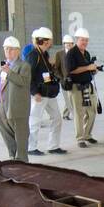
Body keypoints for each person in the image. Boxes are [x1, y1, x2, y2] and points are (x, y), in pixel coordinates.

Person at [25, 26, 65, 156]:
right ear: (44, 41)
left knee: (57, 118)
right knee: (35, 120)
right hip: (39, 94)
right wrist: (34, 92)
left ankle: (53, 146)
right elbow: (28, 75)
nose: (50, 44)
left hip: (48, 92)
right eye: (48, 41)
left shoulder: (44, 54)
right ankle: (31, 147)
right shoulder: (33, 55)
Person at [0, 37, 30, 162]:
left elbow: (23, 82)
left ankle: (22, 160)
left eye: (12, 49)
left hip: (17, 107)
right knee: (6, 132)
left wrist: (9, 72)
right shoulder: (4, 66)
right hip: (2, 106)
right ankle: (12, 156)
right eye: (6, 49)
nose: (8, 52)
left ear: (18, 51)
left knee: (20, 135)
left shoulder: (24, 66)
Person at [64, 28, 100, 147]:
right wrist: (88, 68)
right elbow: (71, 70)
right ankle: (80, 138)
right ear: (76, 40)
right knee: (79, 113)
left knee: (92, 111)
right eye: (82, 40)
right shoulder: (71, 53)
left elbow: (88, 68)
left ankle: (87, 135)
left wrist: (93, 70)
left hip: (87, 85)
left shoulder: (86, 53)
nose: (84, 42)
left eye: (86, 40)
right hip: (76, 87)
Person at [55, 34, 74, 121]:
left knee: (71, 98)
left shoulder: (75, 53)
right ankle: (74, 114)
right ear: (64, 44)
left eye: (70, 43)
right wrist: (61, 78)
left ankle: (65, 113)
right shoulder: (59, 54)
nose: (69, 45)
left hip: (74, 80)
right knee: (68, 98)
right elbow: (56, 68)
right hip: (64, 80)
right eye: (67, 43)